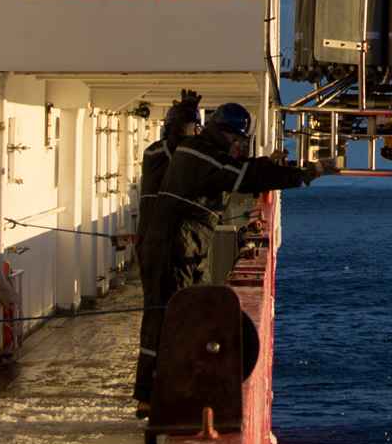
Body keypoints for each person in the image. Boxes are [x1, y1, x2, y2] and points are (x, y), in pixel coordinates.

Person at [132, 102, 325, 406]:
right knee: (169, 316)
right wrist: (299, 175)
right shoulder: (200, 154)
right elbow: (242, 176)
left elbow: (241, 172)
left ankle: (165, 390)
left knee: (183, 313)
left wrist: (271, 166)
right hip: (173, 245)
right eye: (236, 140)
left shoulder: (201, 151)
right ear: (221, 133)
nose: (238, 147)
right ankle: (154, 396)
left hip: (182, 243)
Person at [129, 90, 200, 402]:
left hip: (155, 244)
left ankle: (152, 391)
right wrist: (187, 115)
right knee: (166, 317)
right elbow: (180, 148)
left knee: (160, 316)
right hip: (162, 246)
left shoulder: (153, 154)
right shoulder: (162, 155)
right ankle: (157, 392)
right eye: (195, 128)